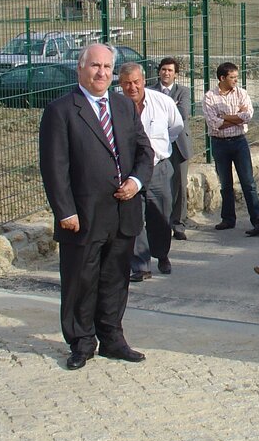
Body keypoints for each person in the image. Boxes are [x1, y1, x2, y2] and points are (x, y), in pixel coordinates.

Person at [39, 43, 154, 370]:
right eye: (95, 66)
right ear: (80, 69)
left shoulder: (124, 106)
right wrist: (65, 211)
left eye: (107, 67)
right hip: (83, 215)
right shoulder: (61, 111)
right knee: (81, 281)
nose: (101, 72)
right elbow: (54, 167)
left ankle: (112, 338)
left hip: (123, 211)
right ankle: (81, 341)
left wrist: (136, 182)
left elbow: (145, 153)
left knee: (115, 279)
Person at [118, 62, 183, 279]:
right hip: (129, 173)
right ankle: (141, 265)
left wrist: (158, 150)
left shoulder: (162, 102)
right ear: (120, 84)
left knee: (161, 216)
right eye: (127, 84)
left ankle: (161, 254)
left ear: (144, 81)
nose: (132, 87)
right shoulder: (115, 106)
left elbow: (176, 128)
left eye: (136, 82)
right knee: (135, 218)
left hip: (158, 169)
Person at [202, 62, 259, 231]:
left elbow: (248, 115)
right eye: (232, 77)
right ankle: (228, 219)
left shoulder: (242, 93)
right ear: (222, 78)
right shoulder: (209, 97)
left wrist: (225, 117)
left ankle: (257, 219)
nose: (236, 80)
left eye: (236, 77)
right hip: (219, 144)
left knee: (248, 182)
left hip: (239, 142)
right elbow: (213, 123)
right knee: (225, 183)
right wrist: (236, 117)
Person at [151, 57, 192, 240]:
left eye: (170, 70)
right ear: (159, 71)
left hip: (179, 145)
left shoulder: (183, 91)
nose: (166, 73)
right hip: (157, 145)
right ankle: (160, 223)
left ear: (176, 74)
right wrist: (170, 108)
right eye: (164, 70)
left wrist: (163, 111)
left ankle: (178, 224)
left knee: (179, 185)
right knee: (159, 185)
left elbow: (182, 114)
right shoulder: (150, 91)